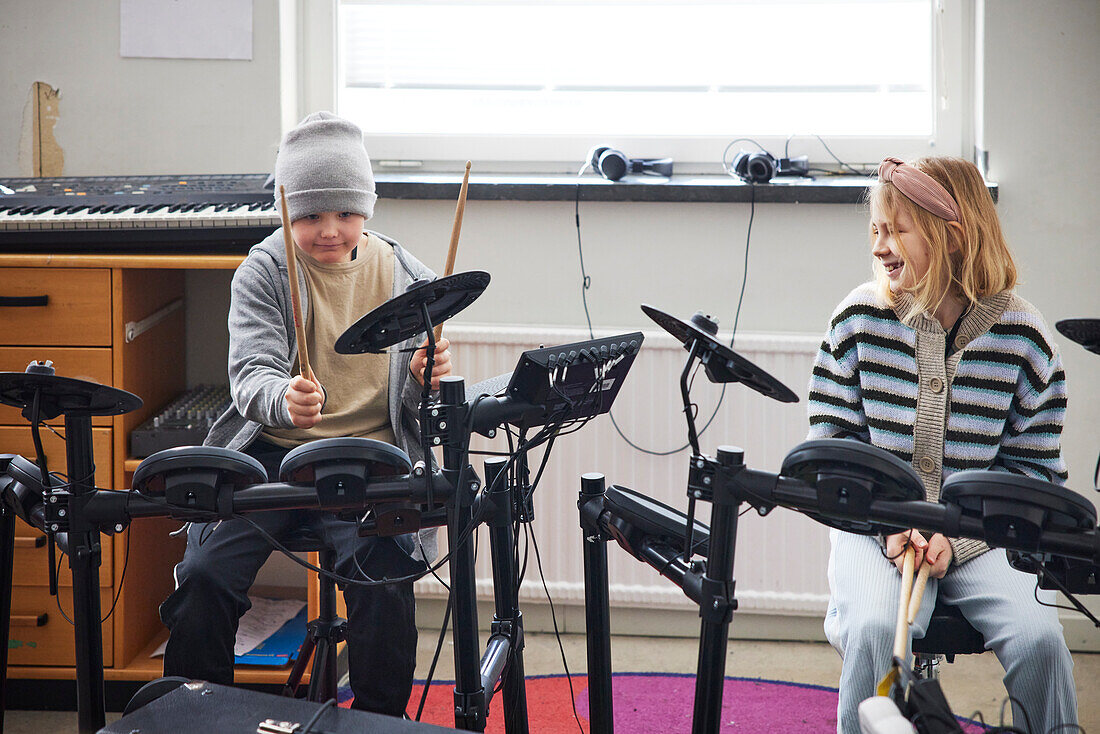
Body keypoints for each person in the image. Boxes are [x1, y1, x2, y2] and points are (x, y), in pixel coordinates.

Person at [159, 111, 451, 717]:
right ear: (286, 211)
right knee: (205, 573)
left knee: (385, 578)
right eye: (310, 215)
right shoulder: (262, 271)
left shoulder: (409, 277)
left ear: (367, 209)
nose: (328, 231)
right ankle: (196, 715)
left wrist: (426, 379)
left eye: (345, 214)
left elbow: (421, 411)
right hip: (269, 452)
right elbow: (250, 377)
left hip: (372, 454)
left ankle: (379, 722)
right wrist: (282, 398)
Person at [807, 156, 1077, 733]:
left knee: (1041, 641)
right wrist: (888, 525)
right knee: (876, 631)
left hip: (982, 534)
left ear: (953, 237)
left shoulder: (1025, 339)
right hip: (873, 524)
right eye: (876, 230)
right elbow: (832, 450)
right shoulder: (857, 320)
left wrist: (959, 539)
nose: (880, 246)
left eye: (897, 229)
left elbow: (1034, 474)